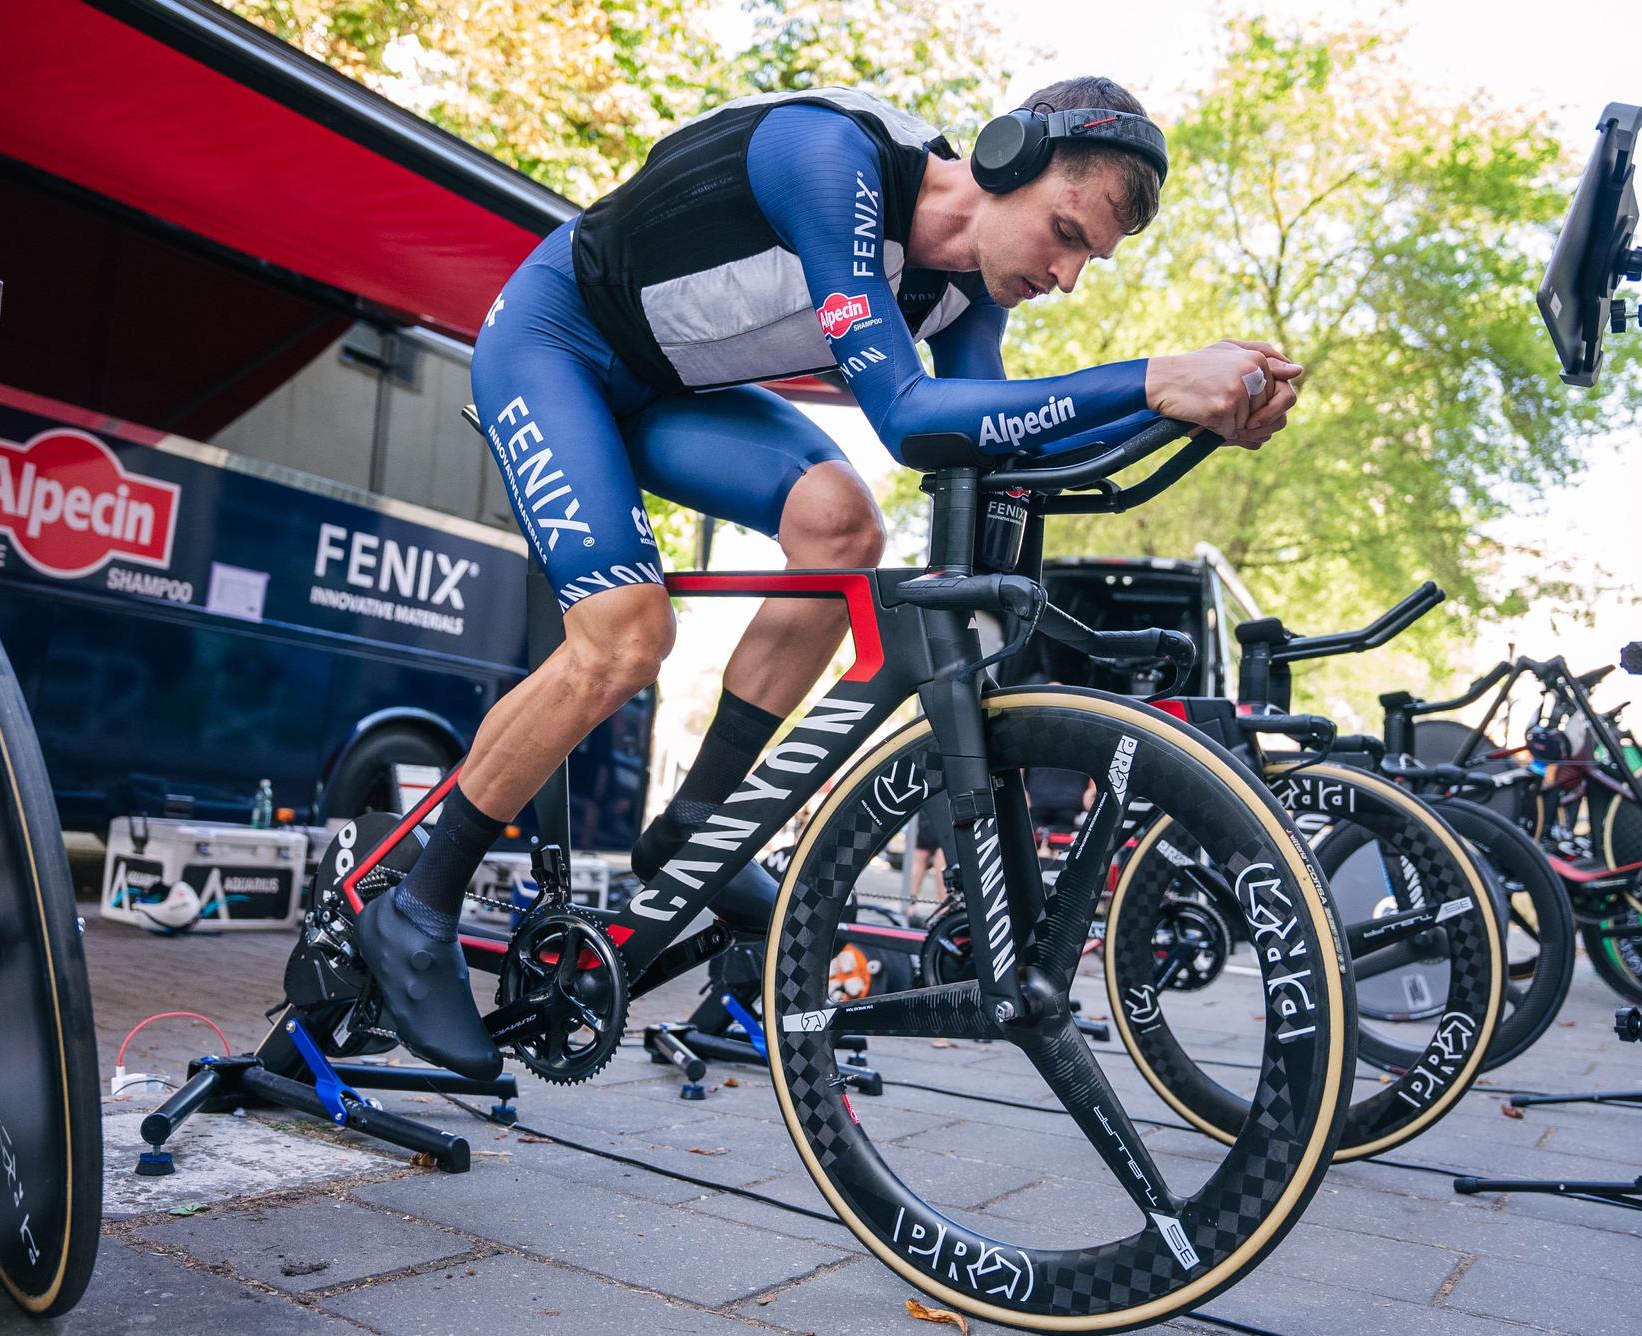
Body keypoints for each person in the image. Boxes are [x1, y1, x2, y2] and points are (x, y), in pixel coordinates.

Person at [358, 76, 1305, 1077]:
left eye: (1089, 259)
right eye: (1064, 234)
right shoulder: (828, 159)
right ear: (1003, 162)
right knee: (627, 637)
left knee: (840, 526)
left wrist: (1183, 414)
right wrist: (1153, 377)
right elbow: (905, 416)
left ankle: (697, 827)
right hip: (554, 341)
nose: (1069, 275)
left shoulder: (964, 287)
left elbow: (979, 438)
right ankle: (418, 906)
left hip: (668, 392)